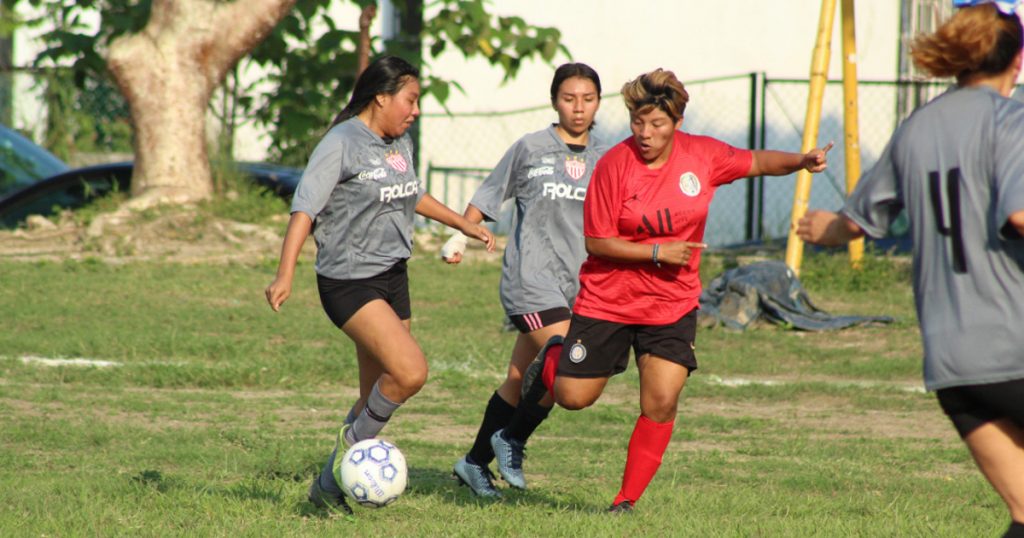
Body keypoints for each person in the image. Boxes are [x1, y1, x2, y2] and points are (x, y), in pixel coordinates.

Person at [516, 67, 831, 513]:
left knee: (661, 402)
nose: (645, 133)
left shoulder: (702, 157)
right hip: (609, 300)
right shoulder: (613, 166)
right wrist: (657, 252)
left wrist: (801, 161)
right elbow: (597, 241)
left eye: (657, 124)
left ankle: (624, 502)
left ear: (677, 123)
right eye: (637, 122)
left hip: (671, 305)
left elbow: (756, 162)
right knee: (573, 398)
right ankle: (553, 356)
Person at [797, 3, 1024, 536]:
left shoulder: (917, 127)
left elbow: (854, 224)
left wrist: (820, 227)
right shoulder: (1010, 122)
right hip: (1014, 345)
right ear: (1015, 60)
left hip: (953, 361)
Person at [264, 55, 494, 515]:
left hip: (392, 275)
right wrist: (285, 273)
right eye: (410, 100)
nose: (416, 110)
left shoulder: (400, 142)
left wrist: (461, 224)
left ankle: (327, 489)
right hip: (349, 280)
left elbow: (411, 192)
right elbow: (304, 209)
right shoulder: (342, 142)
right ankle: (348, 449)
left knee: (376, 394)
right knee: (410, 372)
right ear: (381, 97)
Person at [441, 63, 608, 497]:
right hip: (529, 278)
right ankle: (512, 439)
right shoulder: (530, 149)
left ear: (598, 104)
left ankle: (474, 463)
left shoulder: (607, 158)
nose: (578, 108)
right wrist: (459, 236)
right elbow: (488, 194)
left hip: (578, 285)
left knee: (520, 379)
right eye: (569, 98)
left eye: (587, 100)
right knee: (566, 363)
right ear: (555, 100)